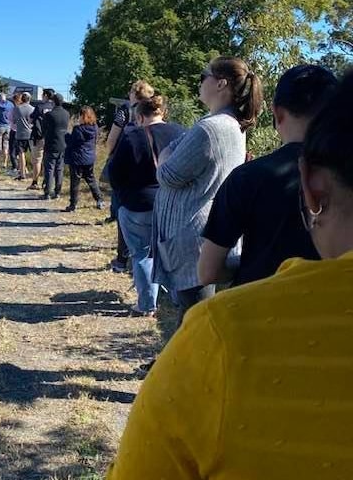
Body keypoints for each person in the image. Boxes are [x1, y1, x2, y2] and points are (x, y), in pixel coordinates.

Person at [106, 69, 353, 480]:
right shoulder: (233, 135)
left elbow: (209, 265)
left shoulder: (219, 334)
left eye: (205, 75)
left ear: (311, 187)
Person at [198, 65, 338, 287]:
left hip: (258, 310)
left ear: (277, 113)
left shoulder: (246, 178)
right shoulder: (344, 180)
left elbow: (207, 272)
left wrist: (251, 265)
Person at [153, 56, 263, 327]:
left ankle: (185, 367)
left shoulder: (209, 128)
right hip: (203, 233)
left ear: (221, 83)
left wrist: (165, 154)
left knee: (197, 318)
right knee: (192, 315)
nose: (200, 81)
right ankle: (175, 365)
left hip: (192, 237)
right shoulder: (221, 123)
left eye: (205, 75)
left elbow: (166, 173)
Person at [108, 95, 186, 315]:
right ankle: (177, 297)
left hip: (138, 203)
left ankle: (146, 304)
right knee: (171, 252)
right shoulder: (181, 133)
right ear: (163, 113)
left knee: (142, 254)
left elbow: (115, 174)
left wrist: (122, 197)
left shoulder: (132, 136)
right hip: (171, 203)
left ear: (140, 116)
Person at [106, 80, 154, 273]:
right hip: (152, 164)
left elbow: (111, 139)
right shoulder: (154, 109)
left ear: (133, 94)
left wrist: (111, 155)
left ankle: (121, 259)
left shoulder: (125, 110)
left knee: (122, 209)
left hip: (127, 161)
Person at [63, 106, 105, 211]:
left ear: (83, 116)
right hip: (89, 157)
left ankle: (73, 204)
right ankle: (99, 199)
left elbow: (72, 143)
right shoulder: (95, 128)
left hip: (77, 158)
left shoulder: (78, 129)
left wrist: (66, 135)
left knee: (75, 182)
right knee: (91, 180)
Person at [41, 93, 70, 200]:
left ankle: (47, 192)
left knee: (49, 169)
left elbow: (43, 129)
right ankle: (57, 192)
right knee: (59, 169)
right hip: (63, 144)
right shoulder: (67, 114)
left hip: (51, 144)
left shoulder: (49, 115)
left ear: (53, 102)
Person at [28, 88, 55, 190]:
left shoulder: (39, 107)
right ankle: (47, 182)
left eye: (43, 95)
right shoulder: (55, 107)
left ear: (46, 96)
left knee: (37, 160)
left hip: (39, 137)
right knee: (49, 161)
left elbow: (30, 119)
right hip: (52, 138)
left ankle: (35, 182)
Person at [13, 92, 35, 181]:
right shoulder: (33, 109)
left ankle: (22, 174)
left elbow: (14, 121)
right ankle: (35, 173)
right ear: (29, 99)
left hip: (20, 134)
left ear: (22, 99)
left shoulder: (17, 108)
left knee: (21, 154)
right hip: (30, 133)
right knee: (34, 155)